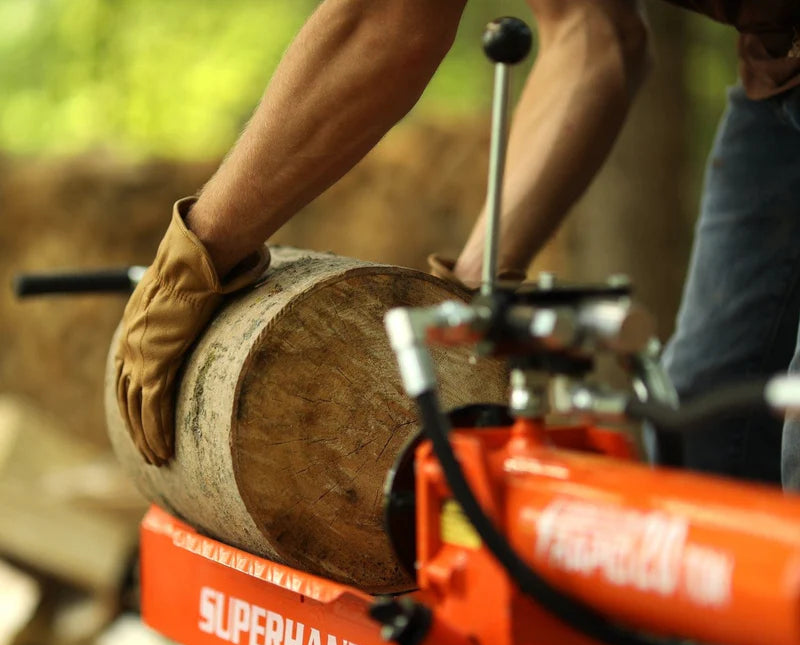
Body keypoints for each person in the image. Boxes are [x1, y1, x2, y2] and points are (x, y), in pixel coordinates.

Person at [115, 0, 800, 491]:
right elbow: (596, 33)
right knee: (705, 447)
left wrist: (191, 265)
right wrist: (477, 294)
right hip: (782, 77)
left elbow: (387, 19)